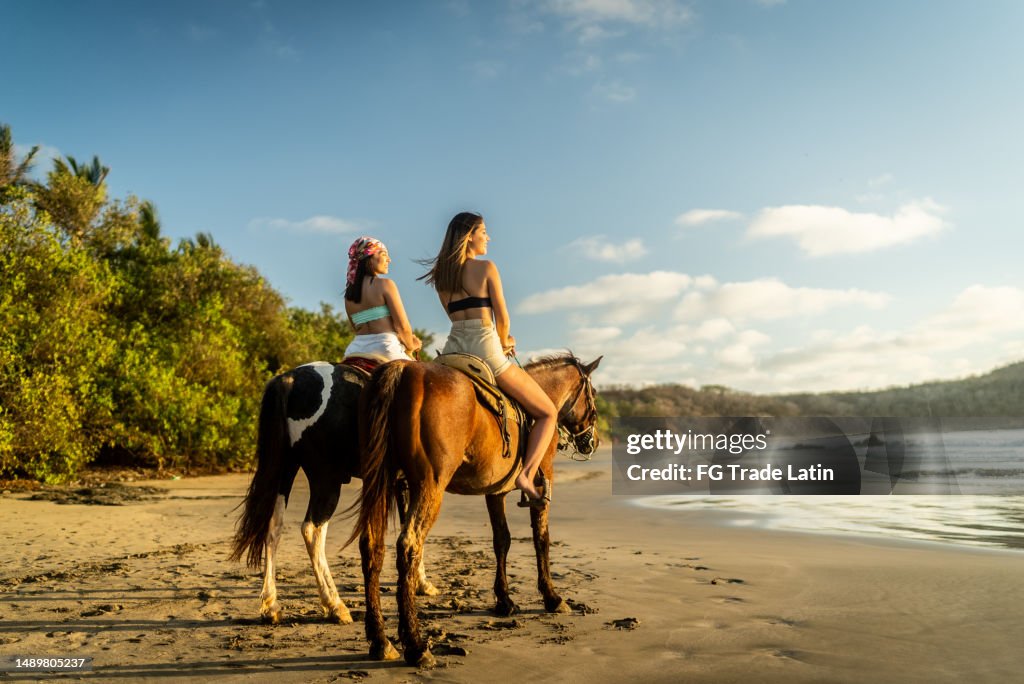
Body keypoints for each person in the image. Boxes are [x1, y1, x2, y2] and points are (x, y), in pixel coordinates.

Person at [419, 212, 557, 506]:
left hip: (453, 350)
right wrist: (507, 341)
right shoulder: (486, 268)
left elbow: (452, 318)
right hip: (485, 348)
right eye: (483, 231)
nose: (488, 237)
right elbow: (502, 319)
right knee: (547, 412)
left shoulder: (441, 279)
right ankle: (526, 475)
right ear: (469, 235)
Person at [343, 236, 422, 361]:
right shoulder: (385, 284)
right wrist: (412, 346)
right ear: (369, 257)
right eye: (384, 254)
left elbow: (356, 328)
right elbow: (402, 327)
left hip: (355, 350)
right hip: (385, 349)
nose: (389, 260)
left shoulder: (348, 294)